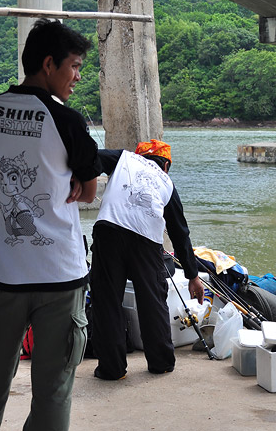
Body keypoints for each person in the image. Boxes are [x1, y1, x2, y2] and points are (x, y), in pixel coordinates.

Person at [0, 18, 101, 430]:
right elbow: (90, 192)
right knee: (53, 389)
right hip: (60, 276)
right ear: (48, 64)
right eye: (74, 66)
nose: (77, 77)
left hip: (5, 275)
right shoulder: (67, 120)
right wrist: (72, 178)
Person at [89, 139, 205, 380]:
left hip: (109, 229)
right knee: (153, 300)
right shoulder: (167, 183)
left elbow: (92, 157)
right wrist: (193, 277)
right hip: (147, 241)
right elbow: (180, 234)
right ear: (166, 166)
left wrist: (80, 183)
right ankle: (161, 363)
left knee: (107, 300)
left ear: (139, 155)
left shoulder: (123, 158)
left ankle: (112, 369)